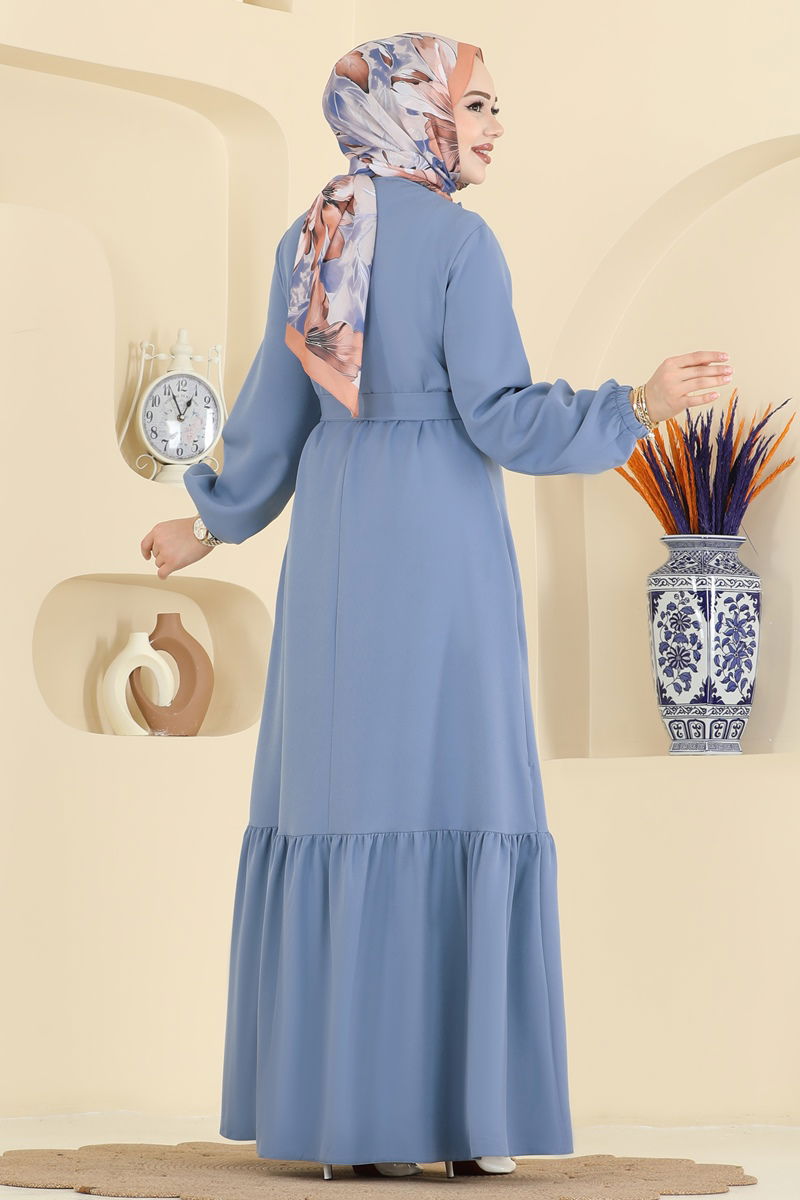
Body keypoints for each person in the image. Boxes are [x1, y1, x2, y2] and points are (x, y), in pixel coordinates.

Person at [140, 32, 733, 1181]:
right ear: (414, 113)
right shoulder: (462, 243)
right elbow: (503, 417)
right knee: (457, 790)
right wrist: (639, 401)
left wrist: (205, 523)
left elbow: (276, 412)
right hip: (440, 540)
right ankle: (465, 1122)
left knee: (341, 799)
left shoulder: (313, 234)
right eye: (477, 105)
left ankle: (339, 1122)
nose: (494, 127)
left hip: (337, 538)